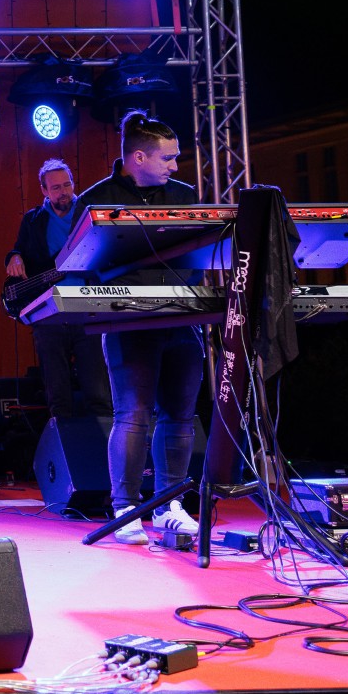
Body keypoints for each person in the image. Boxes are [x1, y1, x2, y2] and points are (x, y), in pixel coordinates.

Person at [73, 111, 202, 546]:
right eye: (168, 158)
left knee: (180, 415)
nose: (175, 166)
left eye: (176, 157)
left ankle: (169, 506)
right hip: (128, 323)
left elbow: (203, 254)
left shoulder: (185, 196)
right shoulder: (97, 199)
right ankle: (126, 508)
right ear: (139, 157)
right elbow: (78, 265)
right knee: (134, 414)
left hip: (183, 320)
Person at [5, 159, 112, 427]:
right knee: (57, 395)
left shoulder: (89, 213)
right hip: (50, 312)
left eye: (67, 185)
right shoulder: (33, 220)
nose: (63, 192)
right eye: (56, 188)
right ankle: (64, 447)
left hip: (89, 309)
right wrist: (14, 256)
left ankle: (106, 448)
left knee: (98, 392)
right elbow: (19, 249)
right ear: (44, 190)